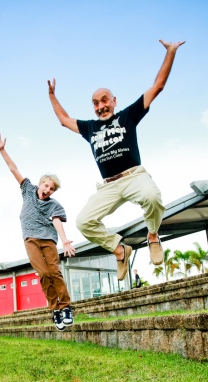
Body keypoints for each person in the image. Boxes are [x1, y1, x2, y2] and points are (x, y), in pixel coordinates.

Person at [47, 39, 185, 281]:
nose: (101, 106)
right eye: (96, 103)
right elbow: (64, 119)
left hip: (134, 176)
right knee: (83, 221)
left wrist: (170, 53)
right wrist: (52, 96)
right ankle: (120, 251)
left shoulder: (127, 116)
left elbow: (158, 86)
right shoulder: (89, 128)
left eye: (104, 100)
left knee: (152, 197)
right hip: (109, 185)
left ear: (113, 101)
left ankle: (152, 236)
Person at [0, 133, 76, 331]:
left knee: (54, 271)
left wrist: (64, 241)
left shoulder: (55, 205)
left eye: (52, 189)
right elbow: (14, 169)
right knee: (44, 273)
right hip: (30, 239)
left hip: (48, 240)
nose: (48, 190)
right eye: (46, 185)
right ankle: (55, 309)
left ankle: (66, 307)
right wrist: (2, 150)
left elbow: (56, 221)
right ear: (40, 183)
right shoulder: (28, 189)